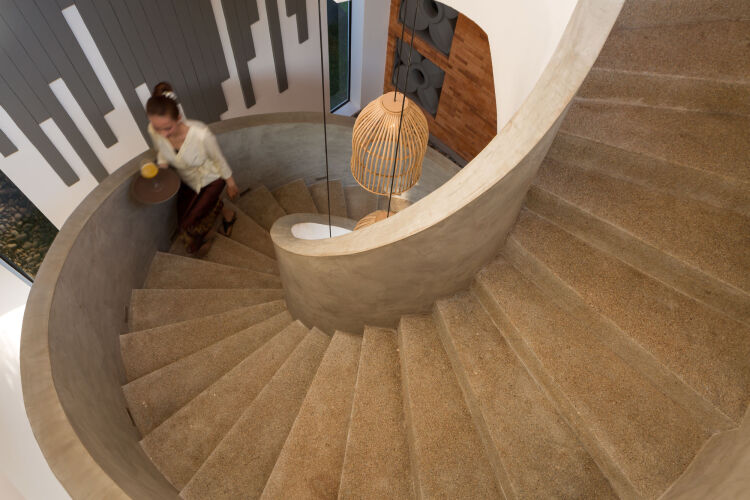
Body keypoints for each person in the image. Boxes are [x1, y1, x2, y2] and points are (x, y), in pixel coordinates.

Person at [146, 82, 238, 255]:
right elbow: (162, 150)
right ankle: (226, 213)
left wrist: (231, 183)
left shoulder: (200, 134)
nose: (163, 134)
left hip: (212, 179)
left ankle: (206, 237)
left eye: (167, 128)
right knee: (184, 215)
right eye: (158, 129)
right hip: (187, 179)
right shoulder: (154, 130)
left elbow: (218, 159)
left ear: (178, 118)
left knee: (187, 223)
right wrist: (162, 169)